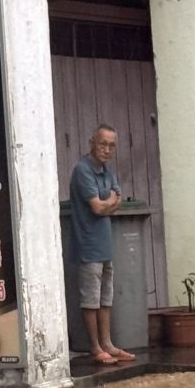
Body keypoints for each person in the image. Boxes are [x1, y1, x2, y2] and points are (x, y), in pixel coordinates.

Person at [70, 124, 136, 365]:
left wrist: (106, 203)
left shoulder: (107, 171)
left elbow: (117, 200)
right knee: (90, 298)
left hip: (105, 244)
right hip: (88, 244)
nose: (107, 150)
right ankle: (95, 347)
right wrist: (108, 203)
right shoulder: (83, 170)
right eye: (102, 144)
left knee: (106, 297)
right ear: (92, 143)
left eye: (111, 146)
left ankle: (107, 343)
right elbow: (98, 207)